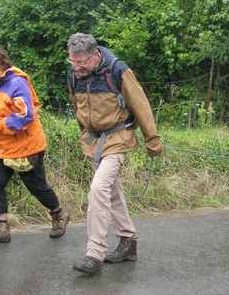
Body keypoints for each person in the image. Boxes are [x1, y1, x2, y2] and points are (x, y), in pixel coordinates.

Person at [67, 33, 162, 276]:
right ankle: (128, 241)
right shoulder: (74, 75)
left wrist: (152, 140)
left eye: (81, 62)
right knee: (112, 192)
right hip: (95, 142)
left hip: (119, 139)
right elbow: (79, 107)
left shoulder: (118, 71)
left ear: (95, 55)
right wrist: (86, 137)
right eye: (72, 62)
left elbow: (141, 105)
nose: (76, 68)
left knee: (99, 189)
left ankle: (94, 253)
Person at [0, 46, 69, 243]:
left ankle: (59, 214)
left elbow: (25, 116)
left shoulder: (17, 84)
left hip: (26, 147)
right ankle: (1, 228)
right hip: (0, 147)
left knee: (36, 187)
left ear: (1, 65)